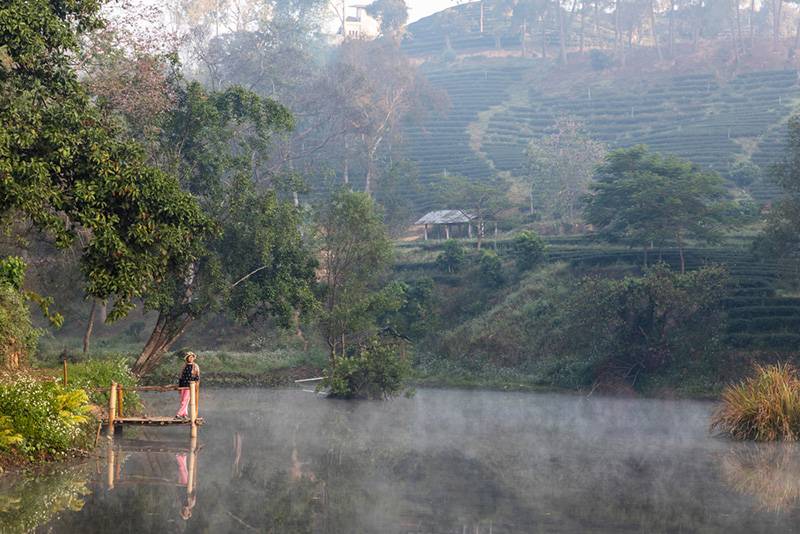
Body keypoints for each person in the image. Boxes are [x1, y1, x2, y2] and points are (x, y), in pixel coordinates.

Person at [176, 352, 199, 419]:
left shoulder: (195, 366)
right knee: (183, 400)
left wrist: (194, 383)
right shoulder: (185, 366)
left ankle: (179, 414)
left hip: (190, 386)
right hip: (183, 385)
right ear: (187, 358)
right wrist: (180, 387)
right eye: (189, 357)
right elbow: (181, 377)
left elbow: (197, 377)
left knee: (185, 400)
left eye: (192, 357)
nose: (191, 358)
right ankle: (185, 414)